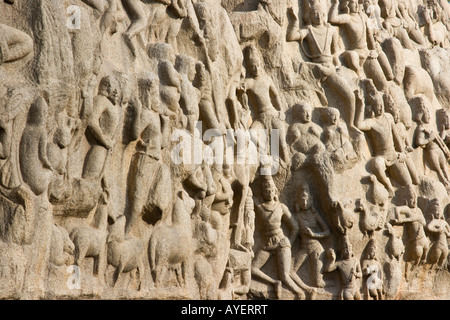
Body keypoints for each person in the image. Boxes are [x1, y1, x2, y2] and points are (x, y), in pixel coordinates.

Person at [286, 4, 358, 132]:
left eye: (320, 14)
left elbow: (335, 53)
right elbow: (291, 37)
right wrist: (295, 21)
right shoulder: (308, 30)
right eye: (315, 14)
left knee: (350, 96)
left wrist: (338, 67)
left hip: (330, 68)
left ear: (324, 15)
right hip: (316, 69)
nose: (318, 17)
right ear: (310, 16)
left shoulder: (331, 30)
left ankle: (351, 124)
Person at [251, 174, 307, 299]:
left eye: (271, 190)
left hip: (282, 242)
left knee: (285, 276)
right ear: (262, 192)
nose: (269, 193)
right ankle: (274, 283)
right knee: (252, 268)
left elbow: (295, 227)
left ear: (275, 191)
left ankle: (299, 293)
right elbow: (248, 195)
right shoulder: (259, 206)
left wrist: (288, 242)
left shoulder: (281, 207)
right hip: (267, 244)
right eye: (266, 191)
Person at [355, 89, 413, 197]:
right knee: (377, 164)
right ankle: (388, 186)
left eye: (381, 105)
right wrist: (361, 106)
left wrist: (402, 152)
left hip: (394, 155)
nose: (381, 108)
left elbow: (396, 137)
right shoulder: (372, 122)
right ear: (372, 107)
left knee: (408, 184)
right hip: (381, 156)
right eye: (377, 106)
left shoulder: (389, 117)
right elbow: (358, 125)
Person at [291, 184, 330, 288]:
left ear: (310, 200)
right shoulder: (296, 216)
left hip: (316, 248)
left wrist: (314, 234)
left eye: (306, 199)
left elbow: (327, 232)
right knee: (290, 270)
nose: (304, 202)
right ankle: (304, 288)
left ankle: (333, 285)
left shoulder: (315, 214)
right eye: (302, 199)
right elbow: (294, 231)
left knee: (318, 283)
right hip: (303, 247)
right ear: (297, 200)